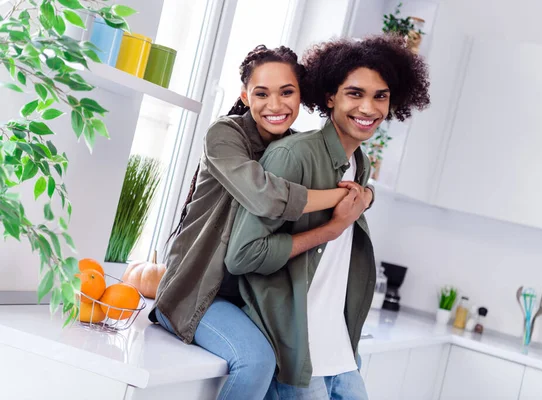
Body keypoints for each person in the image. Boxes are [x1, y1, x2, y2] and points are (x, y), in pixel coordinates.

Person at [149, 45, 374, 400]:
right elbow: (266, 197)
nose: (275, 105)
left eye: (287, 92)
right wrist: (343, 201)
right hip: (197, 295)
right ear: (244, 95)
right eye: (261, 93)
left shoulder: (294, 148)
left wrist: (366, 194)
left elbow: (347, 181)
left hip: (250, 301)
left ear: (302, 95)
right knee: (256, 361)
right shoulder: (224, 135)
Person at [224, 34, 430, 399]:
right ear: (331, 96)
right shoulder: (294, 156)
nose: (368, 108)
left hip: (337, 349)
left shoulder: (360, 164)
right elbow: (244, 255)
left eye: (380, 96)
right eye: (355, 94)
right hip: (295, 348)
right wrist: (333, 228)